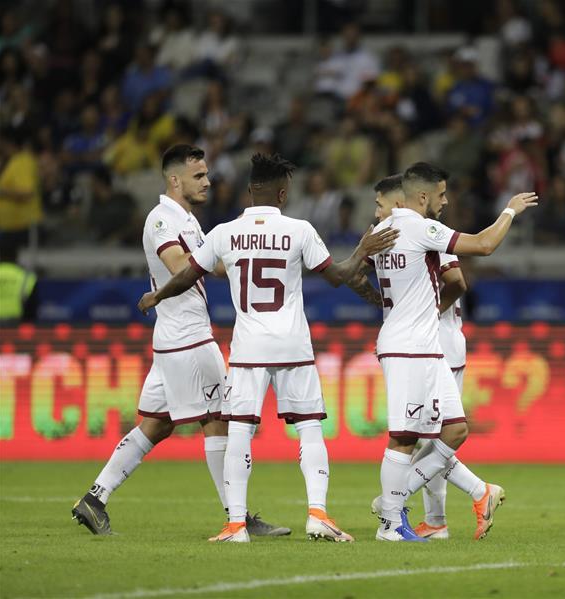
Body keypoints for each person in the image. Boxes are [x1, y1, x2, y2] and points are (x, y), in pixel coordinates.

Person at [138, 153, 397, 543]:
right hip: (293, 345)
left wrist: (157, 295)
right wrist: (362, 250)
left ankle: (235, 525)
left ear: (249, 191)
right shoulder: (299, 230)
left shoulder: (224, 233)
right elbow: (338, 276)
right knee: (309, 428)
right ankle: (318, 515)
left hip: (248, 348)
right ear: (282, 193)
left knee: (239, 431)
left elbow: (186, 275)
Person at [72, 145, 289, 538]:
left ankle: (94, 498)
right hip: (188, 338)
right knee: (217, 420)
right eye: (198, 176)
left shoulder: (188, 220)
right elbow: (179, 265)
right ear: (175, 180)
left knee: (156, 425)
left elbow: (214, 266)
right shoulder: (161, 219)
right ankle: (237, 516)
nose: (207, 182)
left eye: (206, 174)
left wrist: (245, 253)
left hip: (175, 339)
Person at [362, 162, 537, 542]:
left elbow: (353, 274)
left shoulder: (380, 233)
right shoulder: (420, 229)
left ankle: (398, 501)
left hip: (429, 346)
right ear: (421, 196)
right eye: (441, 194)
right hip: (409, 347)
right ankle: (392, 521)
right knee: (406, 437)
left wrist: (379, 298)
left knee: (455, 430)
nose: (445, 201)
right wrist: (510, 211)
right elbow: (484, 246)